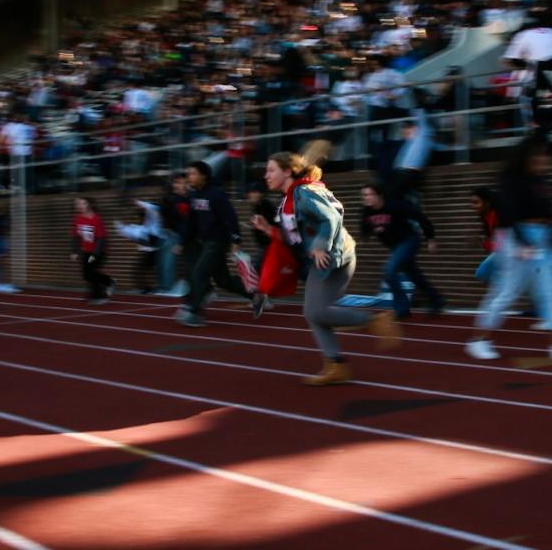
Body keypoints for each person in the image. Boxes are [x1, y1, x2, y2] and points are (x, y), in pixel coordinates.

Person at [257, 146, 400, 385]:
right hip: (329, 256)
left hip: (334, 256)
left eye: (271, 170)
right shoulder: (290, 198)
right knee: (315, 314)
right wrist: (269, 230)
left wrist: (320, 245)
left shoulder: (303, 193)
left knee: (314, 312)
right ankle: (336, 366)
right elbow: (296, 237)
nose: (266, 175)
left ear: (287, 171)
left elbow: (332, 217)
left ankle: (375, 322)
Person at [465, 136, 552, 361]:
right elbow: (508, 213)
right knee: (507, 292)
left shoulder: (543, 181)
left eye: (546, 153)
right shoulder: (512, 179)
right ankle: (479, 340)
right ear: (528, 156)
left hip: (543, 239)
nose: (545, 158)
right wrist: (522, 242)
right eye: (540, 153)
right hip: (515, 238)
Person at [178, 161, 254, 326]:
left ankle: (195, 312)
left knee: (199, 273)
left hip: (218, 241)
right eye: (188, 174)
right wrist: (182, 241)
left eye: (192, 173)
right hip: (205, 242)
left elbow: (230, 217)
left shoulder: (216, 193)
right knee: (223, 280)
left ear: (203, 175)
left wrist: (236, 238)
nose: (189, 177)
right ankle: (256, 295)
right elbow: (190, 222)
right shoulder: (193, 196)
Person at [360, 182, 444, 320]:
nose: (366, 198)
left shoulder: (394, 206)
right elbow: (365, 230)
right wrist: (373, 231)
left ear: (379, 195)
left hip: (409, 240)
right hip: (395, 246)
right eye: (364, 195)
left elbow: (420, 216)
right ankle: (436, 300)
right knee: (414, 275)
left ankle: (402, 309)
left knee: (389, 270)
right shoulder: (366, 211)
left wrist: (430, 238)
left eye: (370, 194)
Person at [72, 196, 114, 305]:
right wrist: (75, 251)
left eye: (82, 204)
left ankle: (99, 296)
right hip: (86, 251)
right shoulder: (78, 219)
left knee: (92, 271)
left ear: (89, 205)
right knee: (86, 275)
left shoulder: (96, 219)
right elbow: (76, 237)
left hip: (99, 251)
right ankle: (108, 281)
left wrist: (95, 254)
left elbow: (101, 239)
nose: (79, 206)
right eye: (78, 204)